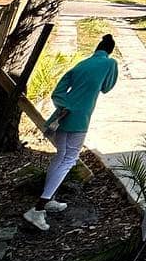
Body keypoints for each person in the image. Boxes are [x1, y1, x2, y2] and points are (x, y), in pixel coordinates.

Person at [23, 33, 120, 231]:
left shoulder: (81, 64)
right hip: (80, 118)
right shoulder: (110, 63)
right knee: (69, 159)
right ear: (110, 50)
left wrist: (66, 105)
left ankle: (50, 198)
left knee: (61, 156)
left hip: (61, 117)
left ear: (96, 48)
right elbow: (107, 88)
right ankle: (38, 208)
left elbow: (57, 94)